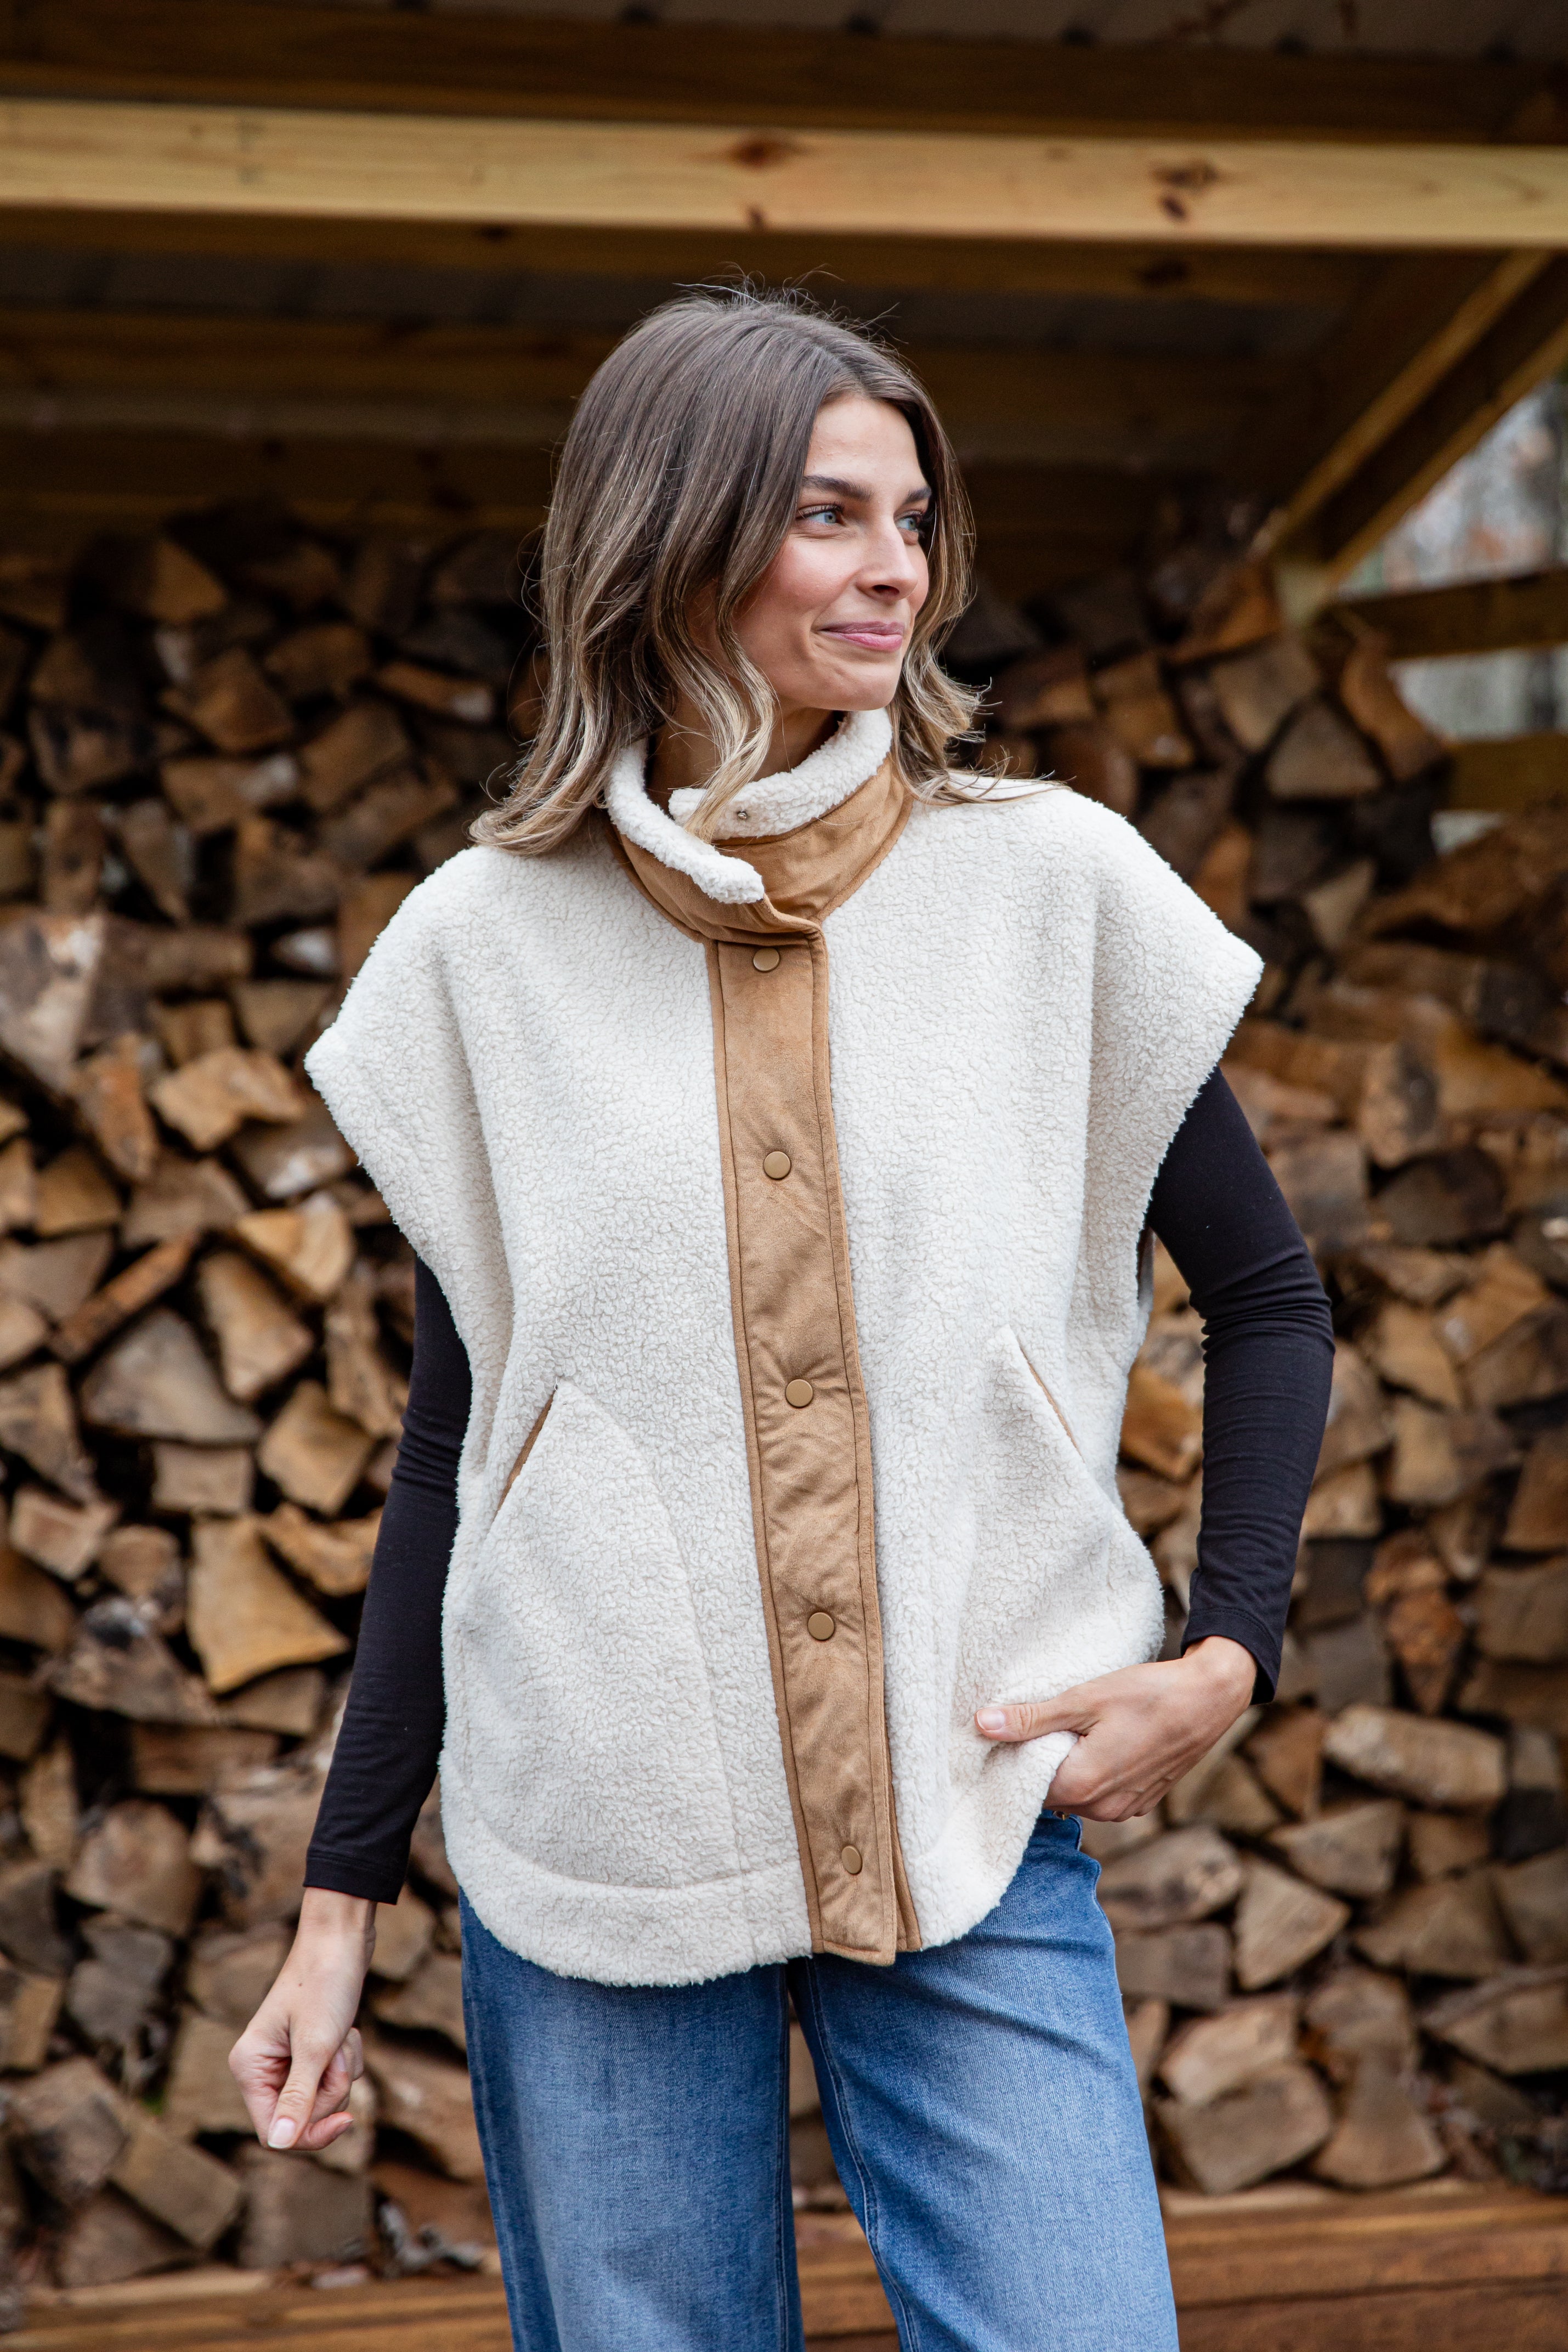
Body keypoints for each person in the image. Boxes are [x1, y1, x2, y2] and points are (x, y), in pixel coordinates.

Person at [230, 289, 1333, 2351]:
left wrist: (1227, 1652)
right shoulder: (483, 952)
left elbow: (1270, 1305)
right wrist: (335, 1906)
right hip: (595, 1839)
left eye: (910, 517)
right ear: (677, 533)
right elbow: (463, 1441)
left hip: (975, 1803)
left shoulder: (1051, 893)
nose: (895, 567)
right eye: (828, 515)